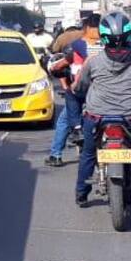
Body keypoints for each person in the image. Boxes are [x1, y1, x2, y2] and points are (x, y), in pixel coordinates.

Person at [71, 10, 131, 206]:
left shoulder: (93, 61)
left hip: (96, 117)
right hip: (130, 118)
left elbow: (79, 87)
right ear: (130, 36)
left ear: (103, 37)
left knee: (88, 153)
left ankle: (81, 192)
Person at [45, 32, 87, 167]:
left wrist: (68, 89)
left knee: (63, 121)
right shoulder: (97, 54)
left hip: (80, 96)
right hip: (100, 96)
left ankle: (56, 155)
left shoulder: (71, 57)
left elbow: (58, 70)